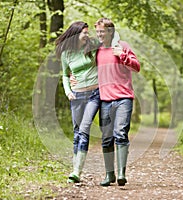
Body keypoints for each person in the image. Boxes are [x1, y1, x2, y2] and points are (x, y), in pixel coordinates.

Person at [94, 18, 140, 186]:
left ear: (110, 32)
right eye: (97, 32)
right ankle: (109, 175)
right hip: (105, 100)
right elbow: (86, 69)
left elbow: (137, 67)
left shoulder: (122, 46)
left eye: (102, 31)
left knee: (120, 133)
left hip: (123, 98)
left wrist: (122, 56)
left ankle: (121, 173)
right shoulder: (97, 50)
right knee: (106, 139)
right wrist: (73, 78)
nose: (99, 34)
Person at [55, 21, 100, 183]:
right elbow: (66, 75)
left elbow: (108, 44)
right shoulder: (66, 54)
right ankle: (75, 170)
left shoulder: (93, 46)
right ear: (76, 35)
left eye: (88, 32)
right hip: (77, 95)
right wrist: (68, 91)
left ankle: (76, 171)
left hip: (95, 94)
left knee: (84, 128)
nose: (87, 35)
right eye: (84, 33)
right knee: (77, 131)